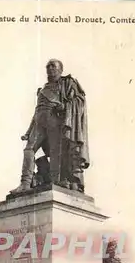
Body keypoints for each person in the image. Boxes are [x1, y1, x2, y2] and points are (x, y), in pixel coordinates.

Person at [10, 59, 89, 195]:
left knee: (55, 151)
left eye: (53, 66)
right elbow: (37, 112)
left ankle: (56, 180)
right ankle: (25, 183)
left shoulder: (67, 83)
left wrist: (65, 106)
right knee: (29, 149)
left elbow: (79, 100)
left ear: (60, 70)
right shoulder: (43, 89)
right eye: (48, 66)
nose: (50, 68)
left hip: (55, 120)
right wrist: (29, 131)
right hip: (39, 122)